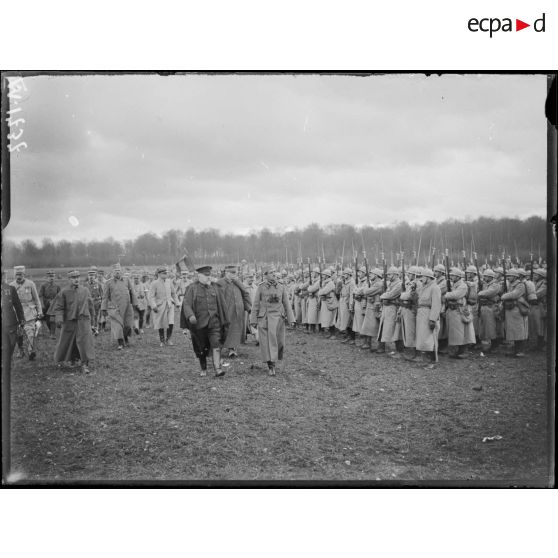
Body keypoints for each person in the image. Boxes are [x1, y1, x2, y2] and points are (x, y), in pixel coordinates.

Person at [181, 265, 229, 377]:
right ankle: (203, 368)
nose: (208, 278)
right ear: (199, 276)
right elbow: (186, 304)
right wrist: (190, 316)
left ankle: (218, 369)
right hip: (199, 324)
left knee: (216, 344)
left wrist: (224, 320)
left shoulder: (215, 287)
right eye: (206, 276)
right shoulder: (192, 288)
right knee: (201, 347)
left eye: (209, 275)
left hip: (214, 323)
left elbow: (222, 304)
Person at [250, 266, 296, 376]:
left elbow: (287, 304)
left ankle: (274, 361)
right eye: (271, 272)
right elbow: (256, 304)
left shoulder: (281, 287)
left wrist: (291, 319)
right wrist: (253, 320)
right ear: (265, 275)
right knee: (267, 344)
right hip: (265, 319)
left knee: (279, 343)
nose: (274, 274)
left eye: (275, 272)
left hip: (278, 319)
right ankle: (271, 366)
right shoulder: (261, 287)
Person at [52, 270, 95, 373]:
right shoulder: (64, 292)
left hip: (83, 320)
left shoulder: (85, 290)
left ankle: (84, 364)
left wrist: (93, 320)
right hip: (69, 322)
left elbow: (90, 306)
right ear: (69, 279)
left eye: (77, 277)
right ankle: (72, 359)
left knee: (84, 342)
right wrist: (59, 319)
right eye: (73, 278)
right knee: (68, 341)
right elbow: (59, 307)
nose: (76, 279)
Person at [216, 265, 252, 357]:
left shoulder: (237, 282)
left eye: (235, 273)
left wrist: (249, 307)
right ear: (226, 273)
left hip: (238, 311)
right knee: (223, 330)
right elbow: (217, 298)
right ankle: (218, 349)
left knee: (236, 330)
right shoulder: (220, 283)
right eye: (232, 273)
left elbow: (245, 294)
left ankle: (232, 349)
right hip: (226, 312)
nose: (234, 275)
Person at [100, 263, 139, 350]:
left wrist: (135, 303)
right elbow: (105, 297)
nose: (118, 273)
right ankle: (120, 343)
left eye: (119, 271)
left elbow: (132, 292)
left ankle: (126, 339)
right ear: (112, 272)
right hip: (115, 308)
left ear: (121, 271)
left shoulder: (126, 280)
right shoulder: (108, 283)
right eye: (115, 271)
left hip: (127, 307)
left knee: (127, 325)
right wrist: (103, 308)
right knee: (118, 326)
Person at [11, 265, 43, 360]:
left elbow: (36, 299)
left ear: (24, 274)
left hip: (29, 311)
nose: (19, 276)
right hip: (16, 312)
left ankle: (30, 351)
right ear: (14, 275)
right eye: (17, 274)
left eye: (20, 274)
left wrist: (40, 311)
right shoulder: (11, 286)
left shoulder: (30, 284)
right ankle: (21, 350)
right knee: (18, 333)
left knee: (30, 332)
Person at [444, 268, 476, 359]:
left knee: (463, 332)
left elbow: (456, 295)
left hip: (460, 310)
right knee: (456, 332)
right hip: (454, 309)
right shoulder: (454, 284)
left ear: (458, 276)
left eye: (453, 275)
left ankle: (464, 351)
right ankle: (458, 350)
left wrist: (446, 295)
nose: (451, 277)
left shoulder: (463, 285)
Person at [413, 268, 442, 369]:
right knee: (423, 338)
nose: (421, 279)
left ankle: (432, 361)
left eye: (423, 277)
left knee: (431, 338)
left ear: (428, 278)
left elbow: (436, 305)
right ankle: (426, 360)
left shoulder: (435, 288)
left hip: (429, 315)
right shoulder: (424, 287)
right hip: (422, 314)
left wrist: (433, 319)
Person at [500, 268, 529, 357]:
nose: (508, 277)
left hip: (518, 309)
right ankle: (516, 350)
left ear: (515, 276)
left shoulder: (520, 285)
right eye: (507, 276)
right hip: (512, 310)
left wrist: (503, 296)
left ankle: (521, 351)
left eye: (510, 276)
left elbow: (514, 294)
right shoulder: (511, 284)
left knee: (520, 330)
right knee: (514, 330)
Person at [148, 266, 181, 346]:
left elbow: (173, 293)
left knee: (171, 322)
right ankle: (162, 340)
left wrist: (177, 302)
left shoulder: (169, 282)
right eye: (163, 273)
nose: (165, 274)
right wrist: (154, 306)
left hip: (170, 304)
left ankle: (168, 339)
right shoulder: (154, 283)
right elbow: (151, 296)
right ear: (159, 274)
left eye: (166, 273)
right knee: (161, 323)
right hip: (160, 306)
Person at [2, 269, 25, 372]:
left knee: (11, 343)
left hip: (10, 322)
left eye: (3, 276)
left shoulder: (11, 289)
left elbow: (18, 305)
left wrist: (22, 319)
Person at [377, 266, 402, 355]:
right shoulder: (391, 284)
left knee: (393, 328)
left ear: (395, 275)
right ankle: (382, 347)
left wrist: (382, 296)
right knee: (384, 327)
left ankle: (397, 350)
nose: (388, 276)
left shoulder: (399, 284)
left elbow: (391, 295)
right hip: (387, 308)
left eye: (390, 274)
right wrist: (385, 296)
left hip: (393, 308)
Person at [398, 266, 421, 361]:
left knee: (414, 331)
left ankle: (417, 353)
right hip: (407, 309)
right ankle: (411, 351)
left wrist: (403, 295)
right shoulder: (411, 283)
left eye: (410, 273)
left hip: (413, 309)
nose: (408, 275)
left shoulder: (418, 284)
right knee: (408, 331)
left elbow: (407, 296)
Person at [476, 268, 501, 353]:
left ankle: (495, 345)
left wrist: (479, 293)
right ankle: (488, 344)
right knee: (485, 327)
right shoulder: (485, 284)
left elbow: (489, 293)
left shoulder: (495, 285)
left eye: (486, 276)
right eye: (484, 276)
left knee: (492, 327)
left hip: (491, 307)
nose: (484, 278)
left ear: (491, 277)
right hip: (484, 306)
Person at [360, 268, 383, 352]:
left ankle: (379, 346)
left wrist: (366, 286)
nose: (370, 275)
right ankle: (368, 343)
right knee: (369, 327)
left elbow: (366, 292)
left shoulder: (379, 284)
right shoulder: (374, 283)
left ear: (376, 276)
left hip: (376, 308)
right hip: (371, 306)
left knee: (376, 327)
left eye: (372, 274)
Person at [39, 270, 60, 339]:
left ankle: (52, 334)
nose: (51, 278)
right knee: (47, 320)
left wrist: (58, 303)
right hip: (46, 304)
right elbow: (40, 295)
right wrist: (42, 304)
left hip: (54, 304)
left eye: (52, 276)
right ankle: (51, 331)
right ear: (46, 277)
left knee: (52, 319)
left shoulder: (57, 286)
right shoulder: (43, 286)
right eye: (49, 276)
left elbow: (60, 296)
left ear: (54, 277)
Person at [317, 268, 338, 339]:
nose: (322, 276)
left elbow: (323, 292)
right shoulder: (325, 283)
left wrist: (320, 292)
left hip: (331, 303)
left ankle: (333, 334)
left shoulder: (330, 283)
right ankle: (330, 333)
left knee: (331, 319)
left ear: (327, 276)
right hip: (327, 302)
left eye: (324, 275)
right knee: (327, 318)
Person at [529, 268, 547, 350]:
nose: (534, 276)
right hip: (534, 305)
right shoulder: (535, 283)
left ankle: (541, 343)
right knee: (535, 325)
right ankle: (537, 343)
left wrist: (528, 295)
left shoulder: (544, 284)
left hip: (540, 306)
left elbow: (538, 294)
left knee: (540, 325)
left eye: (536, 275)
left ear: (541, 276)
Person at [337, 267, 355, 343]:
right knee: (344, 320)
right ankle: (347, 335)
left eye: (345, 274)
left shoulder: (351, 282)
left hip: (347, 302)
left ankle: (352, 338)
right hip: (343, 301)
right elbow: (339, 292)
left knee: (349, 320)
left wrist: (351, 305)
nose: (344, 275)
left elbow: (351, 295)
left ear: (349, 274)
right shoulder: (344, 281)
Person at [84, 266, 103, 336]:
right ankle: (90, 328)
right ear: (88, 276)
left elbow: (102, 294)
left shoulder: (98, 284)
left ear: (95, 276)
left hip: (96, 302)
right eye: (90, 275)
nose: (91, 277)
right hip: (88, 303)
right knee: (89, 316)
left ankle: (96, 328)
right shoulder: (85, 285)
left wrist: (102, 302)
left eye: (92, 275)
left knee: (96, 316)